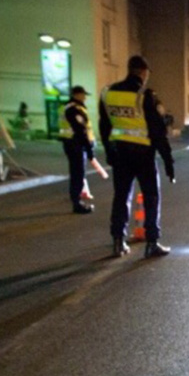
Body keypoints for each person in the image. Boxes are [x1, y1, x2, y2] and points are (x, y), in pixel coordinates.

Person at [99, 56, 176, 259]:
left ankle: (118, 241)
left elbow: (104, 125)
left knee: (121, 197)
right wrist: (168, 162)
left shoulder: (109, 93)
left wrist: (109, 151)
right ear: (143, 72)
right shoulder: (145, 96)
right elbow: (158, 132)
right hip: (143, 156)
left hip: (120, 154)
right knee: (151, 197)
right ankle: (152, 242)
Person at [58, 86, 96, 214]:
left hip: (71, 143)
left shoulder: (67, 107)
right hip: (76, 145)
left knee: (76, 173)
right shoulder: (74, 109)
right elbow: (81, 130)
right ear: (76, 95)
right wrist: (89, 148)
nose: (85, 97)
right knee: (78, 175)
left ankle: (76, 201)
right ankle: (77, 204)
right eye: (83, 95)